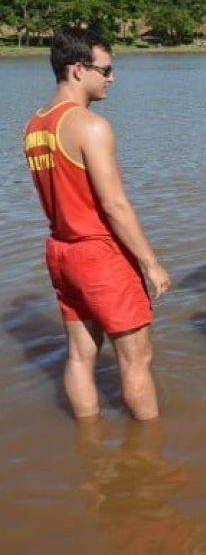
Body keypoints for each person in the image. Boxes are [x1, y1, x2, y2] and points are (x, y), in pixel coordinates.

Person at [22, 27, 171, 421]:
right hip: (99, 252)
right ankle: (149, 459)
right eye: (105, 70)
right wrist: (151, 263)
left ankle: (89, 447)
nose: (111, 78)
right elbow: (115, 206)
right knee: (137, 359)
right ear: (77, 70)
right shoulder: (89, 126)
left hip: (60, 250)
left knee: (79, 354)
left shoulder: (34, 127)